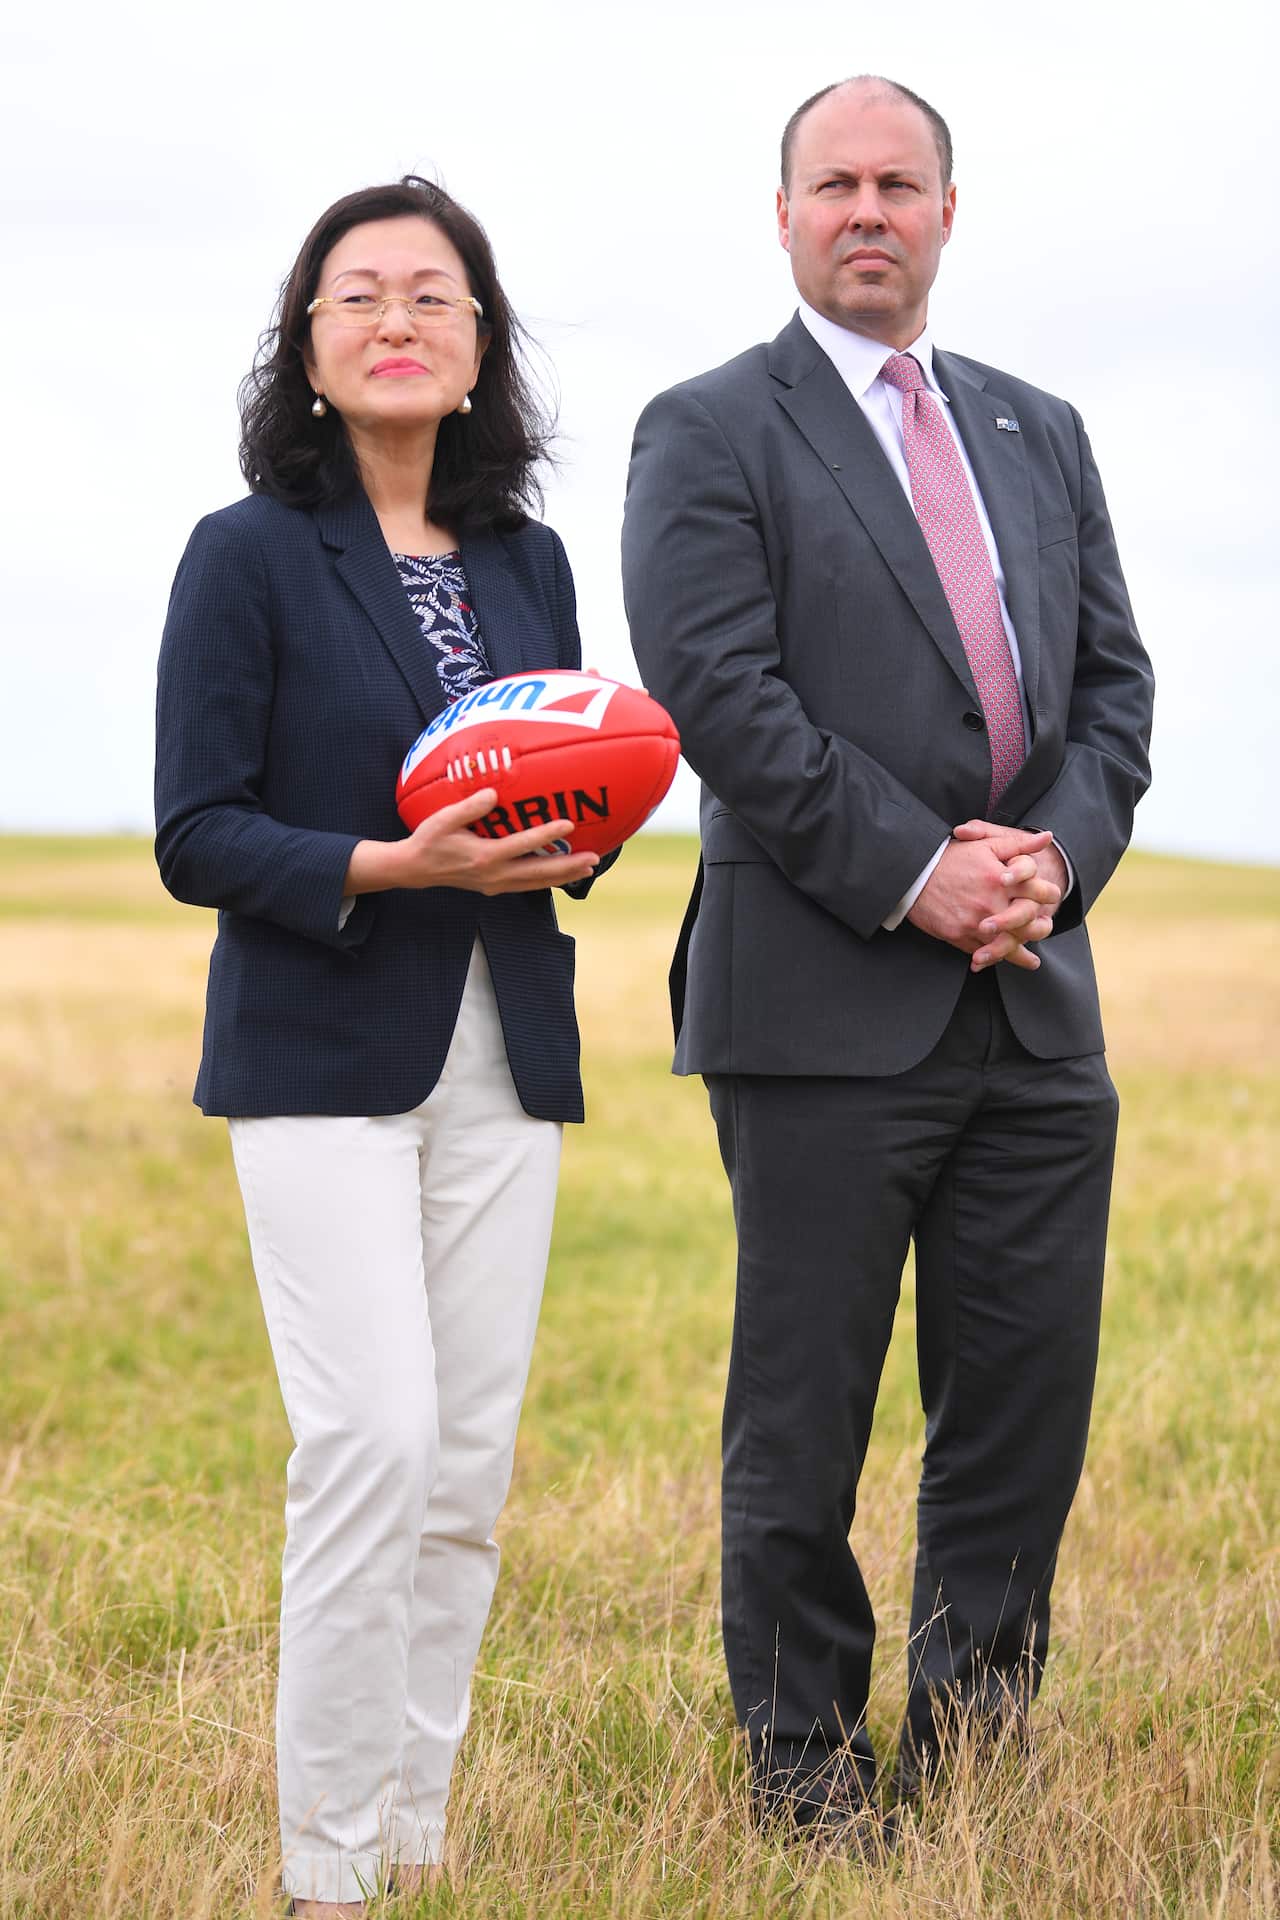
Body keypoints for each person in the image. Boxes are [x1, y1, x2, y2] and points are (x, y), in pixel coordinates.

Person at [622, 77, 1154, 1836]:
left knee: (1019, 1407)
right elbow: (728, 702)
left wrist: (1050, 865)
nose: (869, 208)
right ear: (782, 216)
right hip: (821, 1002)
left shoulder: (1041, 428)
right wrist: (920, 873)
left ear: (946, 213)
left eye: (899, 183)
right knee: (806, 1417)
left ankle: (977, 1753)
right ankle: (804, 1770)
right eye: (834, 183)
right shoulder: (708, 429)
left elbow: (1113, 697)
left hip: (1033, 1001)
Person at [155, 177, 606, 1916]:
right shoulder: (247, 551)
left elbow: (559, 779)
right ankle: (326, 1869)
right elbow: (198, 830)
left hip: (509, 1046)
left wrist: (583, 827)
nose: (397, 318)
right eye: (359, 296)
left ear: (482, 347)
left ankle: (414, 1831)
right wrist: (382, 865)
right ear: (311, 347)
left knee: (468, 1469)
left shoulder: (528, 562)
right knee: (374, 1448)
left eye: (435, 293)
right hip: (322, 1044)